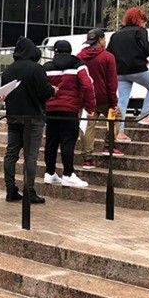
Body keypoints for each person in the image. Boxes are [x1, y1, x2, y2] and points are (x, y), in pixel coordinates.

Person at [2, 37, 55, 204]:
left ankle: (10, 190)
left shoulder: (7, 70)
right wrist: (53, 90)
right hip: (33, 118)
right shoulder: (36, 68)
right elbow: (44, 91)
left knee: (11, 155)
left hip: (13, 118)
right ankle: (29, 190)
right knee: (30, 156)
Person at [42, 40, 96, 188]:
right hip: (70, 109)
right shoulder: (78, 65)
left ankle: (50, 173)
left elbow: (41, 87)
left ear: (55, 52)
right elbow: (87, 85)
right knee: (68, 141)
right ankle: (68, 174)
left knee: (51, 141)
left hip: (51, 109)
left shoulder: (46, 67)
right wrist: (90, 106)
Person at [107, 7, 149, 143]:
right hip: (137, 68)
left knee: (122, 101)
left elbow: (109, 52)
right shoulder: (140, 31)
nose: (144, 24)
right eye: (144, 21)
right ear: (140, 19)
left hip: (120, 71)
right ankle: (144, 114)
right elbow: (146, 49)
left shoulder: (116, 34)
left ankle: (120, 132)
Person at [79, 28, 124, 169]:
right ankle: (108, 145)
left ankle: (87, 159)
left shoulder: (79, 56)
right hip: (104, 97)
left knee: (88, 126)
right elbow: (112, 82)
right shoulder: (107, 57)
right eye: (104, 39)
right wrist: (114, 102)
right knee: (117, 117)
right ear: (100, 40)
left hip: (86, 99)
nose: (105, 41)